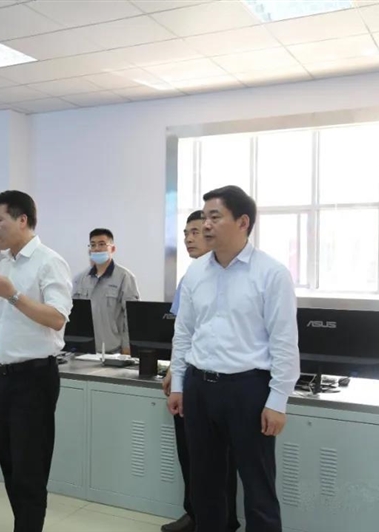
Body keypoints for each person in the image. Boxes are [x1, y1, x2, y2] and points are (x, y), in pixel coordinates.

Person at [167, 186, 299, 532]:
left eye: (215, 217)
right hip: (199, 387)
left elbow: (285, 342)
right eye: (204, 217)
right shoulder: (196, 272)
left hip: (248, 389)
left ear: (243, 222)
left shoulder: (271, 273)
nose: (206, 225)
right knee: (205, 485)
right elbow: (184, 333)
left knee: (258, 487)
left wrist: (278, 401)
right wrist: (178, 384)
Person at [0, 190, 72, 532]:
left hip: (35, 377)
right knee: (10, 463)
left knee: (30, 468)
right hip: (6, 375)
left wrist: (12, 294)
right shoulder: (4, 263)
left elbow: (56, 318)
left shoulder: (49, 261)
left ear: (22, 220)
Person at [161, 210, 239, 532]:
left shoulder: (232, 275)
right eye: (186, 233)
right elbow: (183, 332)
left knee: (221, 459)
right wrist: (174, 370)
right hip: (191, 376)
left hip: (224, 380)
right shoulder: (191, 276)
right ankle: (194, 513)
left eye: (196, 232)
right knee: (190, 452)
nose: (189, 239)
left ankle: (224, 519)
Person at [72, 228, 140, 354]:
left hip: (114, 350)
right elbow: (75, 314)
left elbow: (131, 317)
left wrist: (127, 346)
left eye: (102, 244)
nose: (97, 248)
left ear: (112, 249)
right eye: (93, 245)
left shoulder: (125, 277)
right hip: (84, 351)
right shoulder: (80, 279)